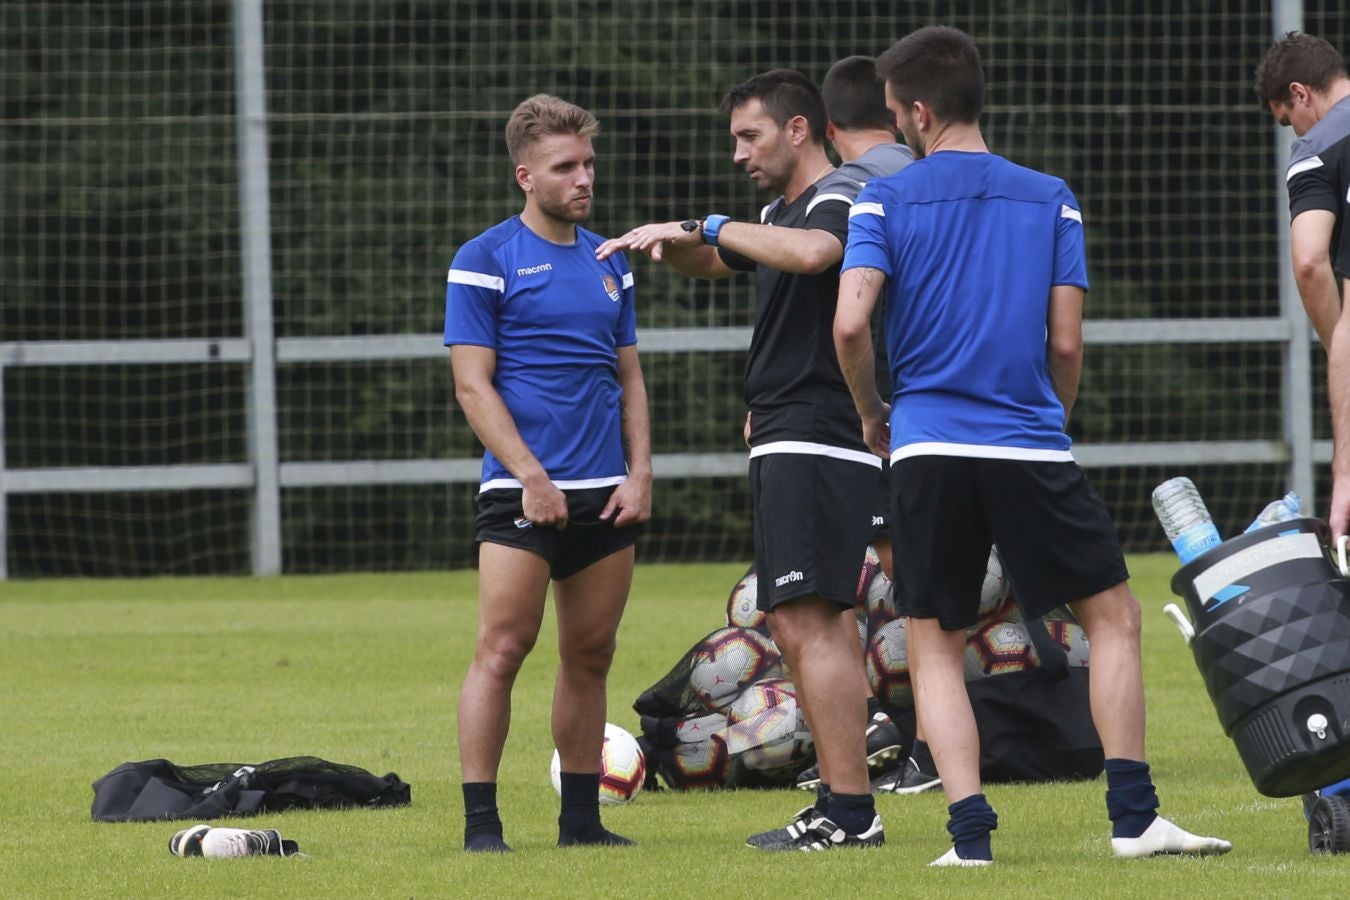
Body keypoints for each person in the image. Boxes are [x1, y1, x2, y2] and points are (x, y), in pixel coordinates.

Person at [833, 26, 1232, 866]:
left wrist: (876, 413)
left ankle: (969, 840)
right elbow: (1065, 344)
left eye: (900, 115)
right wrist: (1053, 415)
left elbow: (850, 323)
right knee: (1114, 617)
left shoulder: (883, 200)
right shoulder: (1050, 195)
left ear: (919, 110)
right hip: (1028, 443)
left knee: (935, 641)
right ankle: (1133, 820)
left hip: (926, 447)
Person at [596, 68, 896, 852]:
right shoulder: (776, 211)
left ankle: (849, 812)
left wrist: (712, 221)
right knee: (800, 623)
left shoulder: (837, 198)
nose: (738, 152)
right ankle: (845, 802)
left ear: (800, 130)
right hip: (787, 432)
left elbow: (810, 255)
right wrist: (673, 241)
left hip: (817, 432)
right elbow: (729, 258)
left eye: (749, 136)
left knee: (811, 617)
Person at [444, 94, 652, 853]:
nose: (584, 178)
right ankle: (481, 827)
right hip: (521, 493)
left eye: (589, 163)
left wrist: (641, 472)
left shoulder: (609, 262)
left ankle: (581, 825)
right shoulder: (484, 259)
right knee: (502, 650)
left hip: (607, 493)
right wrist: (532, 476)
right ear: (526, 175)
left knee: (591, 655)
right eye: (567, 167)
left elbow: (629, 378)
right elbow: (474, 386)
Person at [1253, 33, 1350, 542]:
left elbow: (1310, 262)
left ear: (1301, 93)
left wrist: (1340, 346)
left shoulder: (1318, 149)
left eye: (1288, 118)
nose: (1294, 131)